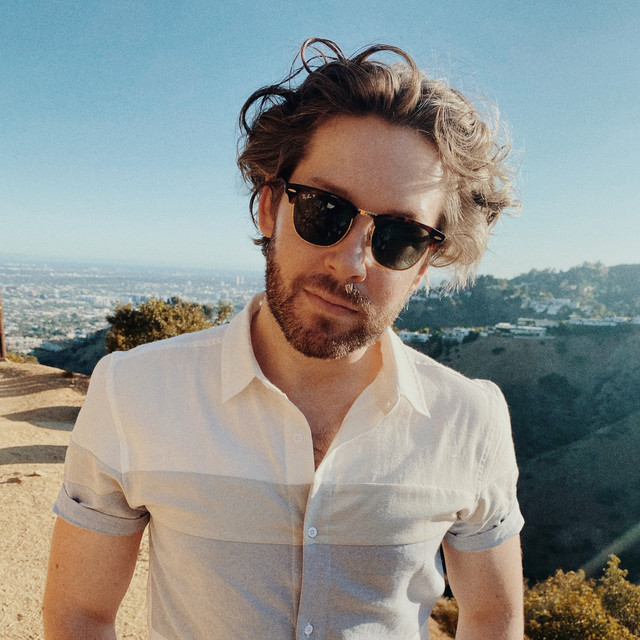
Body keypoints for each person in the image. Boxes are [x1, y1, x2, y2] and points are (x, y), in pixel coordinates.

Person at [44, 38, 524, 639]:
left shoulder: (470, 418)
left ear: (423, 264)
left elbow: (493, 616)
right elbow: (80, 614)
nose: (351, 263)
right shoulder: (133, 392)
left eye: (398, 237)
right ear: (270, 207)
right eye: (325, 210)